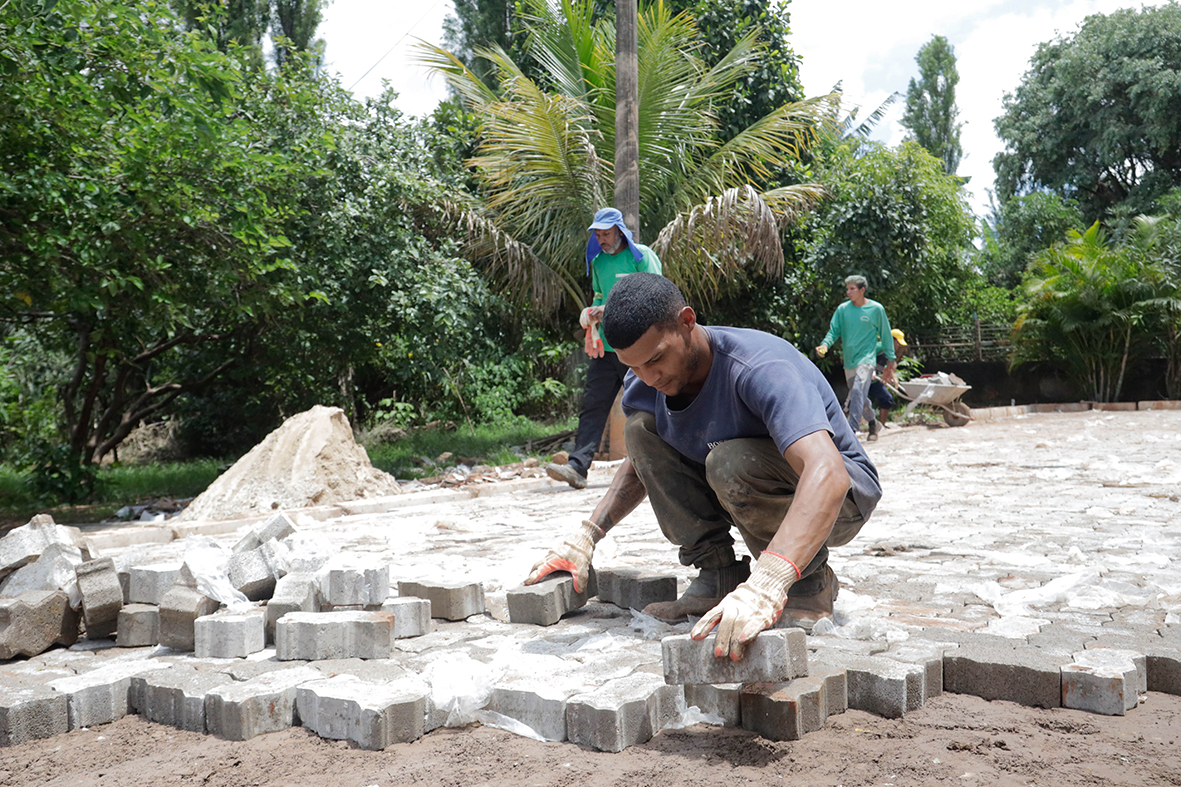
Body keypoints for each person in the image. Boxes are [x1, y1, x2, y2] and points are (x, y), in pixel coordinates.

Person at [526, 273, 882, 660]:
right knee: (642, 429)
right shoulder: (647, 380)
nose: (649, 377)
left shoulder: (760, 367)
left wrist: (768, 580)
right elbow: (641, 462)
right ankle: (718, 576)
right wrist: (587, 536)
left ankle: (810, 583)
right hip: (746, 479)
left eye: (656, 359)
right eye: (635, 366)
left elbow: (827, 472)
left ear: (687, 322)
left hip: (841, 500)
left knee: (729, 461)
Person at [545, 208, 663, 490]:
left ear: (620, 232)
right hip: (608, 348)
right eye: (597, 234)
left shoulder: (642, 256)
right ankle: (577, 467)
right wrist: (591, 316)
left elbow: (655, 295)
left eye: (606, 233)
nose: (601, 239)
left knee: (650, 406)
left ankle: (665, 464)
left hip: (639, 348)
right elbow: (599, 297)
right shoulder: (597, 262)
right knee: (592, 405)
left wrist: (607, 309)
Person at [815, 276, 897, 440]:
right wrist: (825, 345)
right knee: (858, 395)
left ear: (862, 290)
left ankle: (851, 430)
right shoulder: (843, 310)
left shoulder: (876, 309)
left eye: (852, 289)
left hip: (867, 360)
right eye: (847, 289)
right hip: (850, 361)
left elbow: (886, 335)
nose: (848, 292)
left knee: (858, 390)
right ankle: (872, 422)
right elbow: (834, 331)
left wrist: (891, 359)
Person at [866, 329, 908, 430]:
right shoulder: (880, 346)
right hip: (865, 379)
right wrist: (871, 370)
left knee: (887, 398)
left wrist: (891, 375)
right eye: (897, 342)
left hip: (875, 381)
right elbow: (867, 356)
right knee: (855, 401)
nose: (898, 345)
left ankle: (881, 425)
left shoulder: (889, 351)